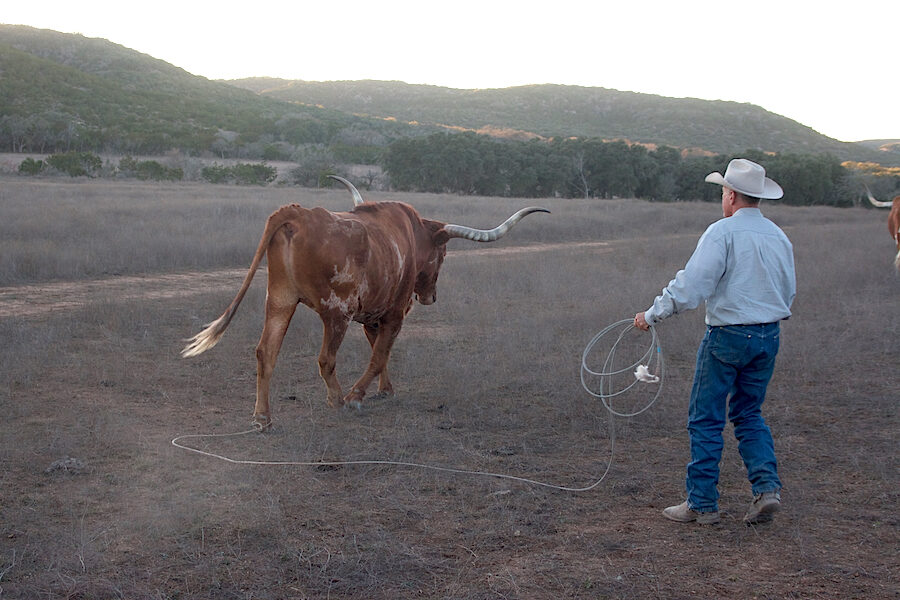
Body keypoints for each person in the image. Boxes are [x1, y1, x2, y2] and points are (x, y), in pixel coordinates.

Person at [634, 158, 796, 526]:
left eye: (724, 191)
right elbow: (788, 291)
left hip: (728, 336)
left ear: (732, 196)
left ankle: (702, 503)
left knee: (706, 418)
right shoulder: (778, 236)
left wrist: (651, 315)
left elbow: (691, 287)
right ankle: (767, 490)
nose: (723, 198)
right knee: (748, 413)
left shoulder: (722, 232)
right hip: (769, 334)